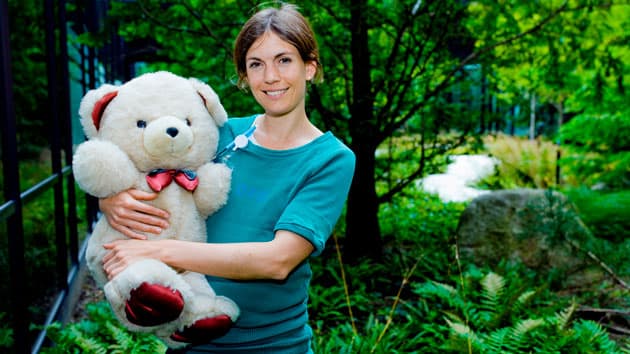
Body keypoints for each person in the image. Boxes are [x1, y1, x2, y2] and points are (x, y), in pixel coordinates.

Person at [97, 3, 355, 353]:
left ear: (309, 67)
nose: (271, 77)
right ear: (244, 76)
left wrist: (158, 250)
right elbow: (136, 159)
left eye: (284, 60)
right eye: (256, 64)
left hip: (274, 345)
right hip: (189, 340)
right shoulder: (218, 135)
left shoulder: (330, 159)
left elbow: (277, 261)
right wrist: (110, 199)